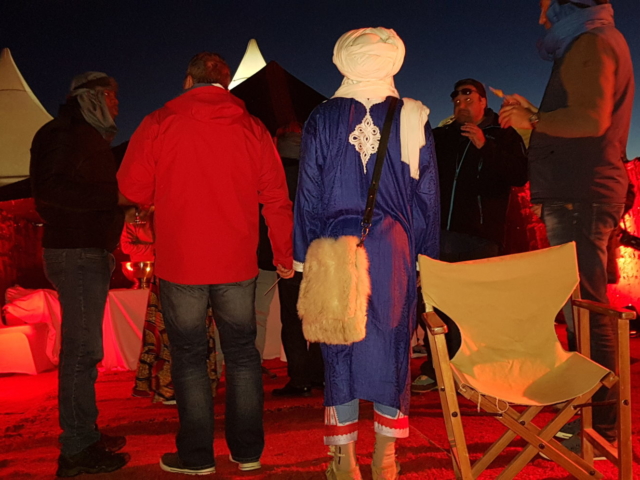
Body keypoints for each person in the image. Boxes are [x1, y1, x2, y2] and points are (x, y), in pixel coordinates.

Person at [117, 52, 294, 475]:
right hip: (236, 262)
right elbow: (276, 198)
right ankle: (247, 451)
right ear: (226, 84)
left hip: (181, 264)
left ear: (187, 81)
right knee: (243, 355)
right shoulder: (252, 128)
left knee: (190, 357)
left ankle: (197, 457)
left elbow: (132, 188)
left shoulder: (159, 122)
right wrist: (284, 255)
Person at [293, 28, 440, 480]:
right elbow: (427, 197)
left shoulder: (322, 117)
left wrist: (302, 256)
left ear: (344, 60)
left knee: (339, 347)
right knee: (393, 347)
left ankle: (343, 460)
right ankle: (386, 458)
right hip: (394, 250)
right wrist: (427, 257)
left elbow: (309, 192)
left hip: (336, 245)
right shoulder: (413, 115)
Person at [499, 0, 634, 454]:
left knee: (587, 314)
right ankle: (595, 418)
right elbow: (585, 115)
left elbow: (590, 118)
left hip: (580, 194)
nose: (541, 19)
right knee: (584, 312)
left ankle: (600, 427)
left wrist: (534, 119)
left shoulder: (589, 42)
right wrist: (535, 113)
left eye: (546, 7)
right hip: (585, 191)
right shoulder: (595, 39)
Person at [30, 72, 130, 477]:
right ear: (94, 96)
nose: (118, 104)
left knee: (85, 350)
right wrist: (113, 198)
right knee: (82, 352)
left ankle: (84, 433)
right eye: (112, 96)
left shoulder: (83, 134)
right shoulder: (63, 133)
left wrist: (117, 207)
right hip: (76, 252)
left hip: (85, 250)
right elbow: (48, 192)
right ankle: (76, 448)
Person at [412, 79, 528, 393]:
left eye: (468, 97)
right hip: (438, 235)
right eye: (456, 99)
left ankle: (477, 371)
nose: (460, 103)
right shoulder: (441, 136)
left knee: (477, 309)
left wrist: (485, 146)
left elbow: (519, 175)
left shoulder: (503, 134)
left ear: (482, 101)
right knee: (435, 305)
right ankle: (439, 368)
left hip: (480, 238)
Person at [121, 213, 219, 405]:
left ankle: (181, 388)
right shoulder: (142, 214)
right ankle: (176, 387)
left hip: (184, 265)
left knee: (179, 328)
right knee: (173, 328)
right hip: (177, 266)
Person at [266, 123, 324, 398]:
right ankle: (320, 373)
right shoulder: (319, 170)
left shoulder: (275, 173)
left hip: (290, 253)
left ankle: (300, 378)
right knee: (321, 314)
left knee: (292, 318)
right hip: (319, 251)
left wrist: (280, 254)